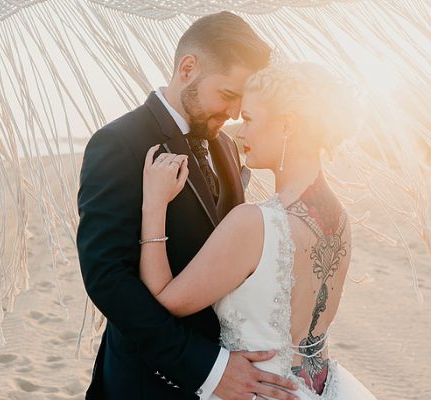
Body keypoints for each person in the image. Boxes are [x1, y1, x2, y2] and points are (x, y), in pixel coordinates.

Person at [77, 11, 299, 400]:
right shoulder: (118, 143)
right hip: (147, 381)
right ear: (188, 68)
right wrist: (207, 368)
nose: (233, 113)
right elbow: (107, 279)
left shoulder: (227, 147)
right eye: (228, 95)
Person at [139, 62, 377, 399]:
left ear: (286, 126)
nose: (239, 133)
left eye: (248, 119)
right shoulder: (340, 218)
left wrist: (154, 204)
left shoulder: (253, 223)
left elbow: (167, 299)